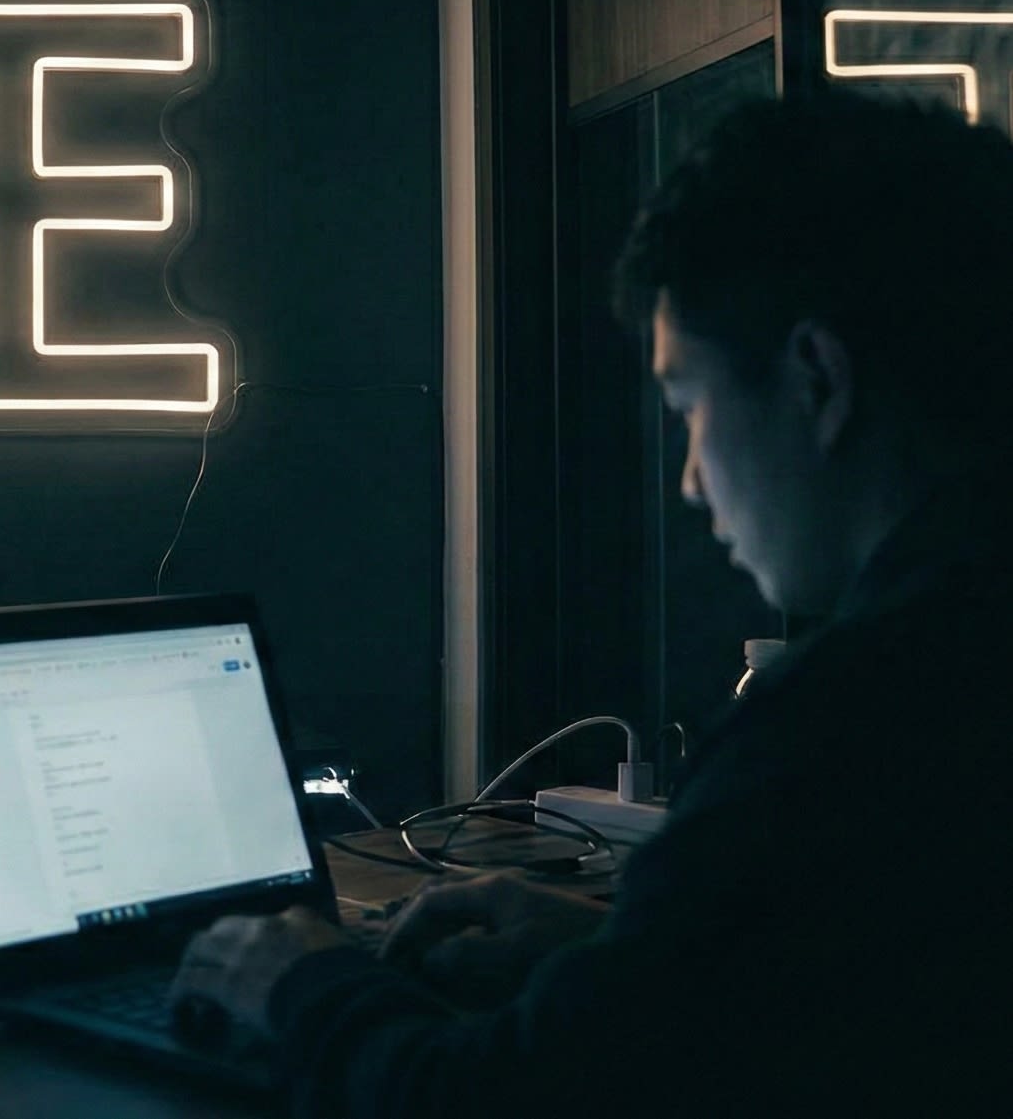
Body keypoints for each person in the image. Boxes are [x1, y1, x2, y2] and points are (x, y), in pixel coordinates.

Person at [168, 91, 1013, 1116]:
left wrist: (298, 982)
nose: (693, 480)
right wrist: (609, 955)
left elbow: (490, 1102)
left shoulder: (854, 716)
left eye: (688, 406)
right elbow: (876, 997)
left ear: (816, 378)